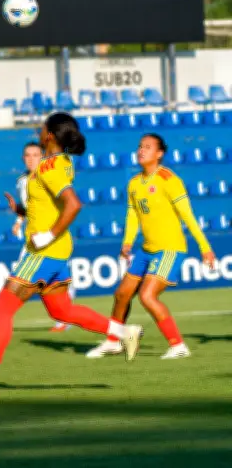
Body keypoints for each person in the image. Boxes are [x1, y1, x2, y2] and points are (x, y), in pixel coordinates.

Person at [0, 112, 143, 401]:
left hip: (43, 251)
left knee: (1, 308)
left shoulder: (49, 166)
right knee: (61, 311)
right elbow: (52, 204)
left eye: (42, 128)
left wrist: (48, 234)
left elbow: (73, 204)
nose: (38, 130)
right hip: (57, 252)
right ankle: (124, 331)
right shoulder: (62, 162)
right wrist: (23, 212)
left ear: (50, 135)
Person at [85, 133, 216, 360]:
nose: (141, 151)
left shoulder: (169, 180)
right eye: (139, 147)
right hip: (145, 250)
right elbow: (133, 214)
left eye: (147, 147)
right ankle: (113, 341)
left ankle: (178, 345)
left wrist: (205, 247)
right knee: (122, 294)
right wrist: (127, 242)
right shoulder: (134, 183)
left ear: (159, 154)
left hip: (170, 249)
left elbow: (188, 216)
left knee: (147, 296)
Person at [13, 142, 74, 333]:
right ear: (23, 159)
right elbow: (30, 206)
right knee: (53, 278)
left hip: (51, 236)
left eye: (35, 155)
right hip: (33, 238)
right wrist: (18, 218)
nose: (31, 159)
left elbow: (63, 200)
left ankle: (4, 314)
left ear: (43, 156)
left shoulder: (49, 175)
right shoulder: (22, 181)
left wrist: (51, 231)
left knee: (26, 278)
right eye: (27, 155)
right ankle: (66, 316)